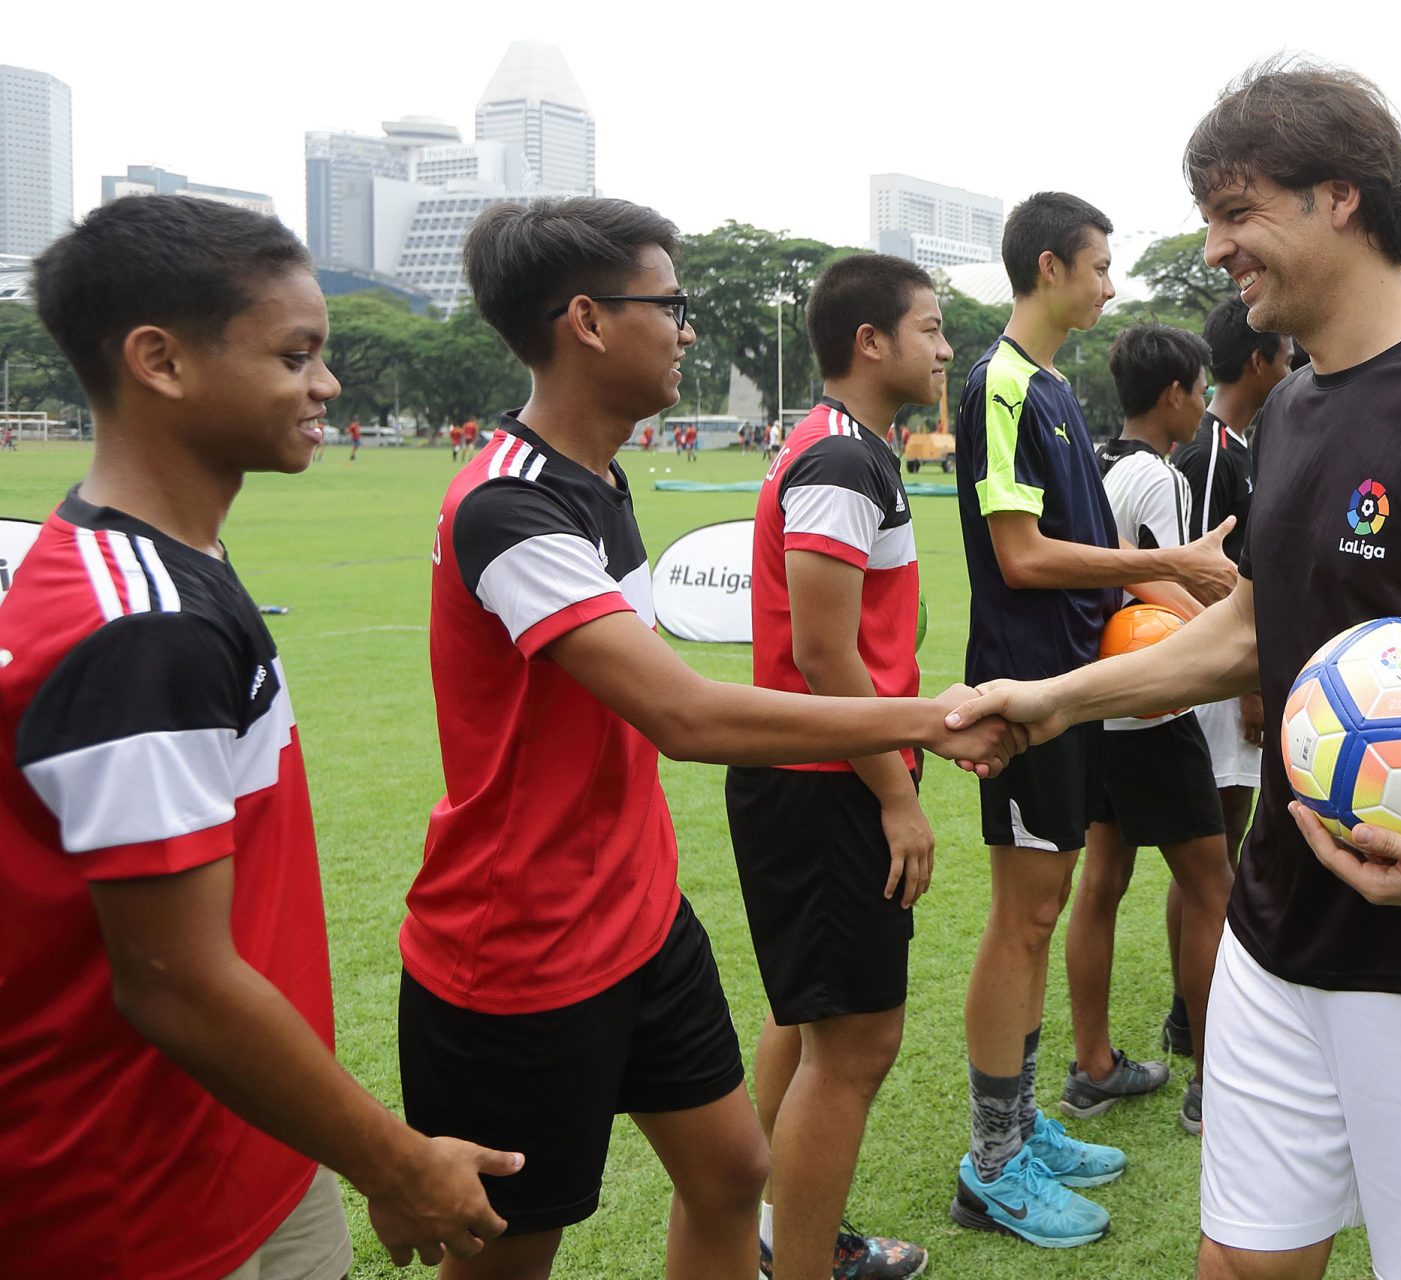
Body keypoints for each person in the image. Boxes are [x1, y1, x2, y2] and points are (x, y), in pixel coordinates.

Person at [949, 60, 1401, 1279]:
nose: (1216, 244)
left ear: (1343, 197)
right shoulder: (1292, 408)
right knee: (1242, 1262)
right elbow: (1255, 628)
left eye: (1239, 210)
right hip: (1277, 927)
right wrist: (1054, 699)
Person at [401, 196, 1020, 1280]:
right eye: (670, 305)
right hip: (524, 947)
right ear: (588, 321)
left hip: (638, 915)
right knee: (514, 1246)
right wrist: (930, 717)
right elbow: (683, 713)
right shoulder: (507, 505)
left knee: (733, 1170)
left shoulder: (600, 479)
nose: (688, 330)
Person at [0, 194, 517, 1280]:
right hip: (146, 1202)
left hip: (235, 1151)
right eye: (296, 355)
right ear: (161, 360)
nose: (327, 384)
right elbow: (174, 977)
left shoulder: (166, 562)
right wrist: (400, 1162)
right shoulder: (143, 624)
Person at [949, 190, 1238, 1250]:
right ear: (1047, 266)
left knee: (1045, 904)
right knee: (1022, 916)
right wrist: (1167, 563)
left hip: (1069, 691)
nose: (1112, 283)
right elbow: (1021, 556)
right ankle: (993, 1160)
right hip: (1024, 693)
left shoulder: (1055, 388)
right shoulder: (1001, 385)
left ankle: (1022, 1127)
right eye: (1100, 264)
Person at [730, 253, 951, 1280]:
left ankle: (777, 1230)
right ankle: (799, 1262)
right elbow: (824, 655)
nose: (946, 348)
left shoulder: (850, 448)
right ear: (872, 343)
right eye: (932, 327)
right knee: (854, 1044)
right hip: (827, 783)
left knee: (810, 1015)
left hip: (822, 774)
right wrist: (897, 795)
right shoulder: (838, 458)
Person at [1072, 322, 1234, 1137]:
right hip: (1149, 707)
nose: (1204, 404)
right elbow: (1163, 586)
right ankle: (1213, 1082)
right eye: (1200, 389)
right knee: (1212, 887)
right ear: (1173, 395)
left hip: (1094, 704)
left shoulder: (1092, 464)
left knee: (1100, 884)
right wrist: (1235, 625)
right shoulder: (1158, 478)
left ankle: (1092, 1064)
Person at [1160, 297, 1290, 1060]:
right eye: (1282, 354)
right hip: (1213, 678)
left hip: (1223, 673)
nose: (1290, 366)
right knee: (1210, 844)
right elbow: (1203, 573)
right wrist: (1244, 684)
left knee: (1212, 844)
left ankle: (1191, 1002)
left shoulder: (1234, 441)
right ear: (1257, 363)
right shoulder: (1212, 453)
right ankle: (1191, 1012)